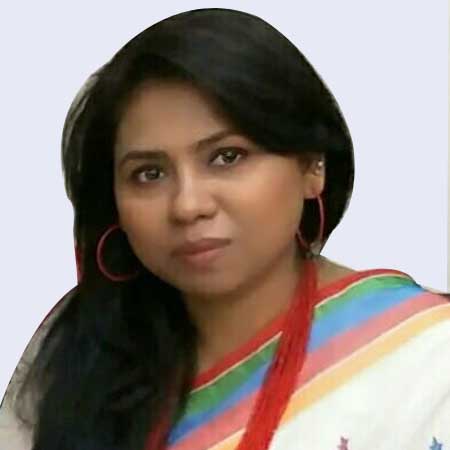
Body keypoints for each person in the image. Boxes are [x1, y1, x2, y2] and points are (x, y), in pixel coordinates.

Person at [0, 7, 448, 450]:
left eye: (227, 157)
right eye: (149, 174)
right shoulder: (77, 349)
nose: (188, 205)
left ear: (313, 166)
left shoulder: (426, 354)